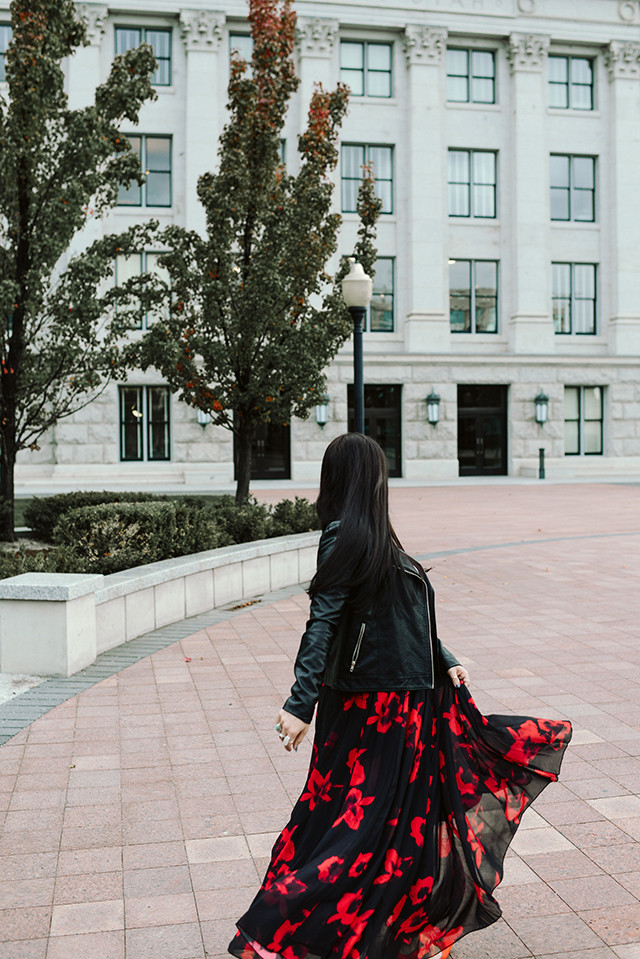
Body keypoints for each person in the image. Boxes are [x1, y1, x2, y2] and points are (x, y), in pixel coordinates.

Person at [228, 433, 572, 959]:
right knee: (358, 824)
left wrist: (446, 659)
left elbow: (405, 619)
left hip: (406, 705)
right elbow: (322, 623)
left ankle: (407, 924)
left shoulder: (374, 537)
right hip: (371, 710)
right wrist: (300, 704)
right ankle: (288, 923)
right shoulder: (345, 536)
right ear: (371, 480)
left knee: (398, 822)